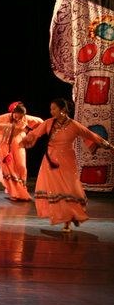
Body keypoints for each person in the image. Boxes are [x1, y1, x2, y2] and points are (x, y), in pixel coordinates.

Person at [21, 97, 113, 231]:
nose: (51, 111)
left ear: (63, 110)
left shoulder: (74, 125)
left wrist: (108, 146)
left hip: (67, 160)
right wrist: (24, 140)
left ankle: (71, 215)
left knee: (68, 189)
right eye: (51, 109)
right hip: (50, 161)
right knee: (55, 189)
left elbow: (90, 135)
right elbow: (35, 133)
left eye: (54, 109)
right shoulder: (49, 123)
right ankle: (66, 219)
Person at [0, 101, 43, 202]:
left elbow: (41, 122)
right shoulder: (5, 117)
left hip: (18, 144)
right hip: (5, 145)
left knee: (21, 166)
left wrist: (31, 133)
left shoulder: (26, 118)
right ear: (13, 113)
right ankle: (13, 192)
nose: (18, 118)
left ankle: (22, 191)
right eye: (16, 116)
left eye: (20, 117)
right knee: (10, 168)